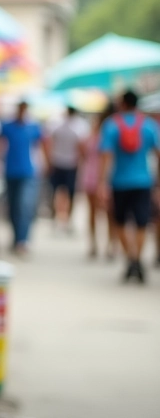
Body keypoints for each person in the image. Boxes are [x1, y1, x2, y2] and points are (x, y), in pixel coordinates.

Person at [99, 90, 160, 282]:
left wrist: (102, 182)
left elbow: (106, 156)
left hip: (119, 182)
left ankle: (130, 259)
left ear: (123, 103)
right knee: (142, 222)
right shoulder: (149, 125)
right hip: (144, 181)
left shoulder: (111, 125)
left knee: (120, 221)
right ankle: (138, 259)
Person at [0, 100, 46, 256]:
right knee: (13, 208)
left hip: (27, 173)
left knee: (24, 206)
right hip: (10, 172)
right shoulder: (7, 126)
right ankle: (16, 238)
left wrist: (47, 163)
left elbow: (44, 144)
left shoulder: (33, 127)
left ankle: (22, 241)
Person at [80, 103, 118, 260]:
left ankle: (95, 245)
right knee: (110, 214)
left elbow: (83, 150)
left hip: (93, 175)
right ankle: (110, 245)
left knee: (94, 213)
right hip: (110, 176)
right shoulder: (114, 132)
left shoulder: (95, 134)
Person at [44, 105, 89, 233]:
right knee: (68, 193)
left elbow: (49, 142)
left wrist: (49, 160)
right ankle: (65, 219)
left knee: (59, 192)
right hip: (66, 163)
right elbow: (82, 146)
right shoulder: (79, 126)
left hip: (61, 162)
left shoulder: (58, 124)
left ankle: (59, 218)